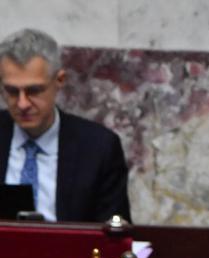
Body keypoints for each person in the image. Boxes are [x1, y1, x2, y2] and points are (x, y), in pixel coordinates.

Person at [0, 28, 131, 222]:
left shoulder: (98, 148)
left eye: (34, 91)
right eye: (12, 92)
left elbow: (114, 232)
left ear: (59, 81)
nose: (22, 104)